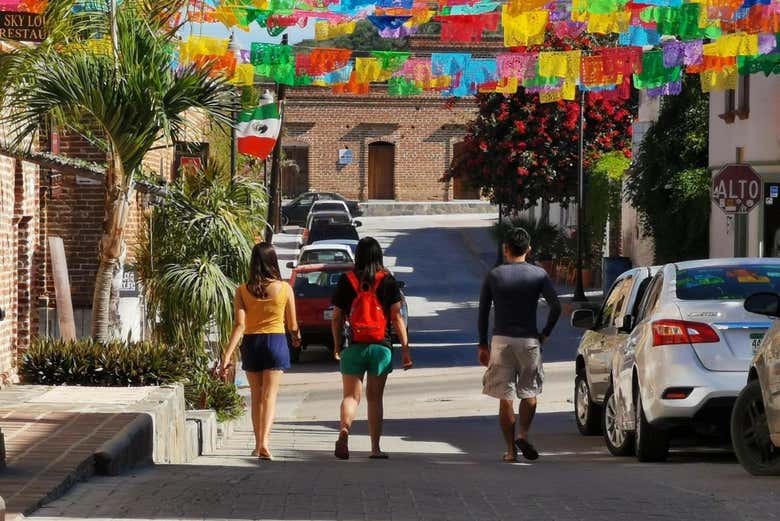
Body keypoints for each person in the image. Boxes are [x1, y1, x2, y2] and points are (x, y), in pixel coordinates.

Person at [478, 227, 561, 462]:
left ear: (506, 250)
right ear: (529, 249)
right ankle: (523, 434)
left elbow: (483, 312)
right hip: (529, 340)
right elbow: (555, 307)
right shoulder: (538, 275)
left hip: (501, 341)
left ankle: (510, 451)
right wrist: (544, 334)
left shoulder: (494, 275)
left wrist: (482, 344)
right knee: (530, 391)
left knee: (506, 396)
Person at [330, 237, 413, 460]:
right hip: (381, 347)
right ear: (379, 256)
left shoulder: (346, 280)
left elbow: (337, 317)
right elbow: (396, 318)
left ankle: (344, 431)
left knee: (350, 396)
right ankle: (375, 448)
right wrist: (405, 349)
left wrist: (337, 344)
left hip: (353, 346)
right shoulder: (388, 280)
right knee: (375, 399)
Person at [221, 243, 301, 460]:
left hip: (251, 344)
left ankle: (258, 445)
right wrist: (296, 337)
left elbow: (239, 325)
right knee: (269, 396)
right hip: (275, 341)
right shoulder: (285, 289)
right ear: (273, 261)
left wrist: (227, 355)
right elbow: (292, 324)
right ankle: (265, 442)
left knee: (256, 396)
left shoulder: (242, 290)